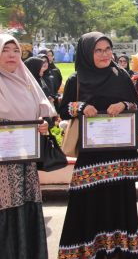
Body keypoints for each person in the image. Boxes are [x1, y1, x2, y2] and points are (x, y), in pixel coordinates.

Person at [57, 32, 138, 258]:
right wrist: (81, 106)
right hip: (91, 156)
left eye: (107, 49)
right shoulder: (76, 80)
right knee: (87, 203)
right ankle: (89, 250)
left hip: (120, 153)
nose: (105, 55)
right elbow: (62, 109)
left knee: (118, 201)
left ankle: (120, 249)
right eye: (98, 50)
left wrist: (123, 104)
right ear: (87, 53)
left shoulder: (121, 75)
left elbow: (136, 104)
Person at [0, 34, 52, 259]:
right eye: (5, 50)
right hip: (2, 165)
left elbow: (41, 112)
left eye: (15, 50)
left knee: (26, 205)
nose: (11, 55)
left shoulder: (27, 81)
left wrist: (42, 125)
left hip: (25, 160)